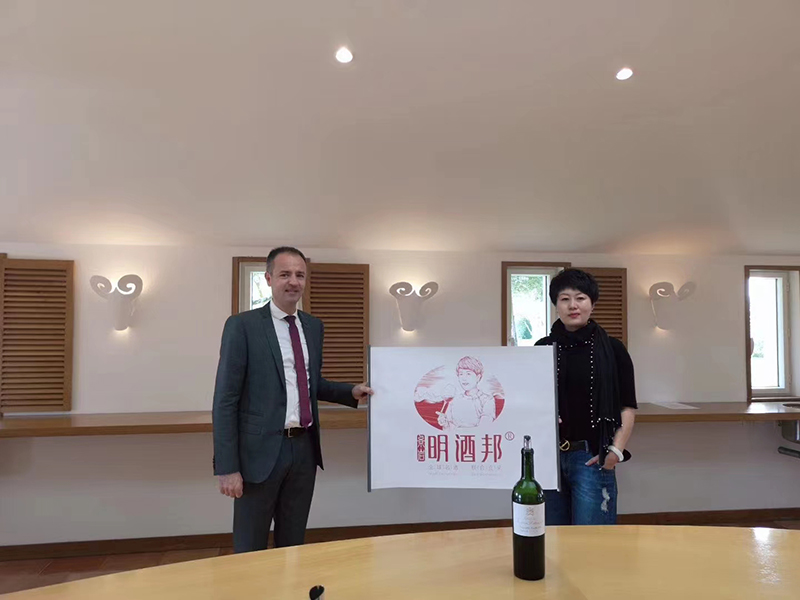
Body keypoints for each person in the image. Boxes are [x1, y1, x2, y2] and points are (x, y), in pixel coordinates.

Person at [212, 246, 373, 552]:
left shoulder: (313, 327)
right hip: (258, 455)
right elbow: (225, 400)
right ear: (269, 278)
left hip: (304, 451)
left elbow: (309, 383)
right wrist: (227, 467)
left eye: (300, 275)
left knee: (293, 543)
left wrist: (350, 392)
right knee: (250, 546)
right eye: (285, 274)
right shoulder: (243, 326)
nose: (293, 282)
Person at [535, 269, 636, 525]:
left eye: (580, 298)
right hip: (548, 458)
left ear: (592, 304)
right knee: (551, 535)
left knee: (592, 538)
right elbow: (530, 402)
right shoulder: (541, 348)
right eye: (564, 299)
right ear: (556, 305)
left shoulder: (613, 349)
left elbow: (627, 406)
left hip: (592, 457)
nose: (573, 305)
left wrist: (615, 451)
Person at [437, 356, 496, 429]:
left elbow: (484, 428)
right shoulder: (454, 400)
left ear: (478, 377)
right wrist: (445, 423)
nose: (464, 378)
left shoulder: (487, 400)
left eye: (468, 374)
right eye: (461, 374)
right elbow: (448, 430)